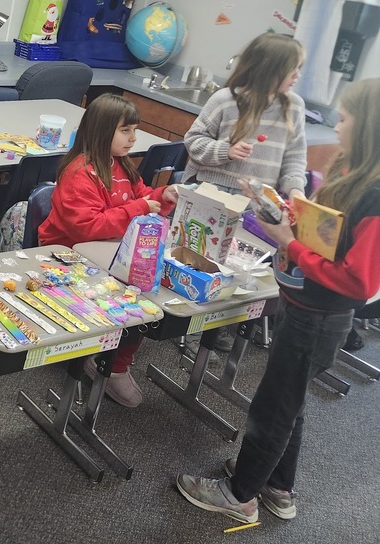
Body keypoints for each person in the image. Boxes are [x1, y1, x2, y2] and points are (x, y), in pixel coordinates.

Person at [176, 78, 380, 524]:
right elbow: (332, 237)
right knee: (289, 404)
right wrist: (290, 216)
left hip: (319, 318)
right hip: (305, 308)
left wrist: (291, 241)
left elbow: (358, 282)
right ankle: (277, 485)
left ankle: (239, 495)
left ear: (366, 126)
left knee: (273, 409)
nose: (337, 126)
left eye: (344, 119)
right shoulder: (354, 174)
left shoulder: (375, 195)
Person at [38, 93, 178, 407]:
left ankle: (114, 360)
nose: (133, 137)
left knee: (145, 286)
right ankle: (106, 362)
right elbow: (87, 228)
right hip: (65, 255)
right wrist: (141, 207)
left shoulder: (123, 166)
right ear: (102, 131)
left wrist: (163, 194)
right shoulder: (80, 173)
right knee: (136, 290)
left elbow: (144, 197)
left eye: (134, 129)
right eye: (125, 130)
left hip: (106, 249)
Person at [183, 32, 308, 352]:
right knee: (207, 265)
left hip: (258, 202)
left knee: (243, 271)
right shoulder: (225, 100)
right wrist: (226, 150)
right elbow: (193, 143)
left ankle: (226, 327)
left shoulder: (294, 106)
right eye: (292, 69)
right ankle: (194, 328)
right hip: (215, 197)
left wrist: (295, 191)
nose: (297, 76)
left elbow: (294, 158)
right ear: (270, 68)